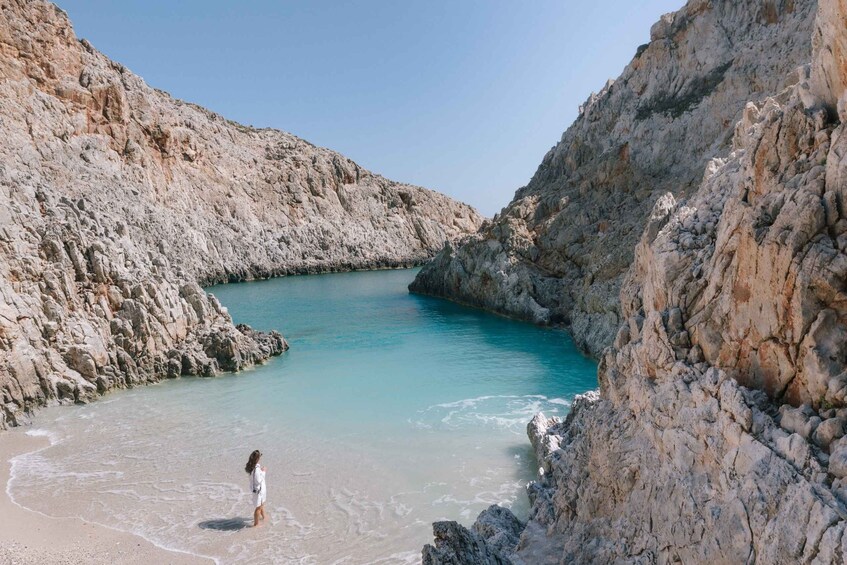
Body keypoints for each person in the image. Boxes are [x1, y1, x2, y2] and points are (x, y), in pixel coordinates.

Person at [245, 449, 267, 527]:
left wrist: (261, 471)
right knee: (258, 507)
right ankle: (256, 524)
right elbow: (258, 480)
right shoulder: (256, 469)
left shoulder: (252, 467)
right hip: (258, 491)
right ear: (257, 459)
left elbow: (254, 478)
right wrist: (263, 471)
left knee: (261, 505)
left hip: (256, 490)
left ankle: (264, 517)